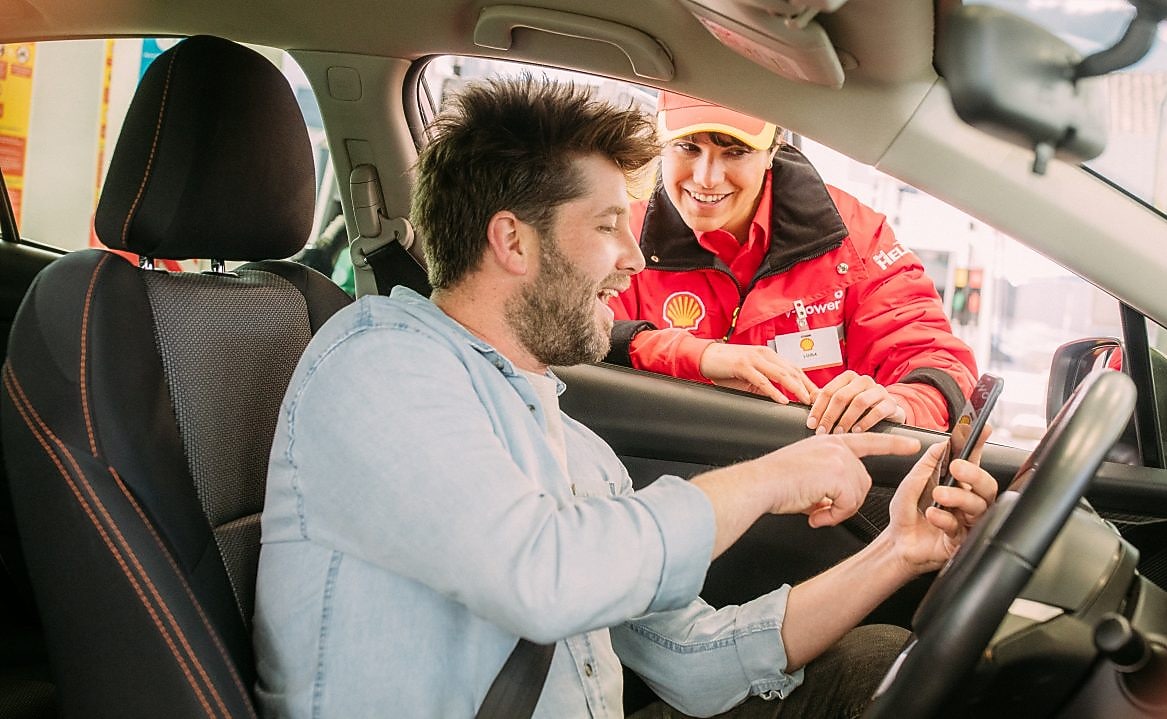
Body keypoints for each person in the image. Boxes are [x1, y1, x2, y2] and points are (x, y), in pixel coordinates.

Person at [253, 76, 998, 718]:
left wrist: (898, 552)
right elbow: (543, 577)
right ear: (513, 241)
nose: (636, 256)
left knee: (877, 660)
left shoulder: (575, 444)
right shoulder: (379, 362)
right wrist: (776, 475)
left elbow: (694, 662)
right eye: (610, 225)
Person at [607, 91, 978, 434]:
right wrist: (699, 355)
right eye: (687, 147)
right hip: (663, 474)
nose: (706, 178)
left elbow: (937, 364)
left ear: (773, 150)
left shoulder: (853, 238)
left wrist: (898, 404)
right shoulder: (619, 236)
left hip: (818, 486)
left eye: (735, 151)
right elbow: (580, 342)